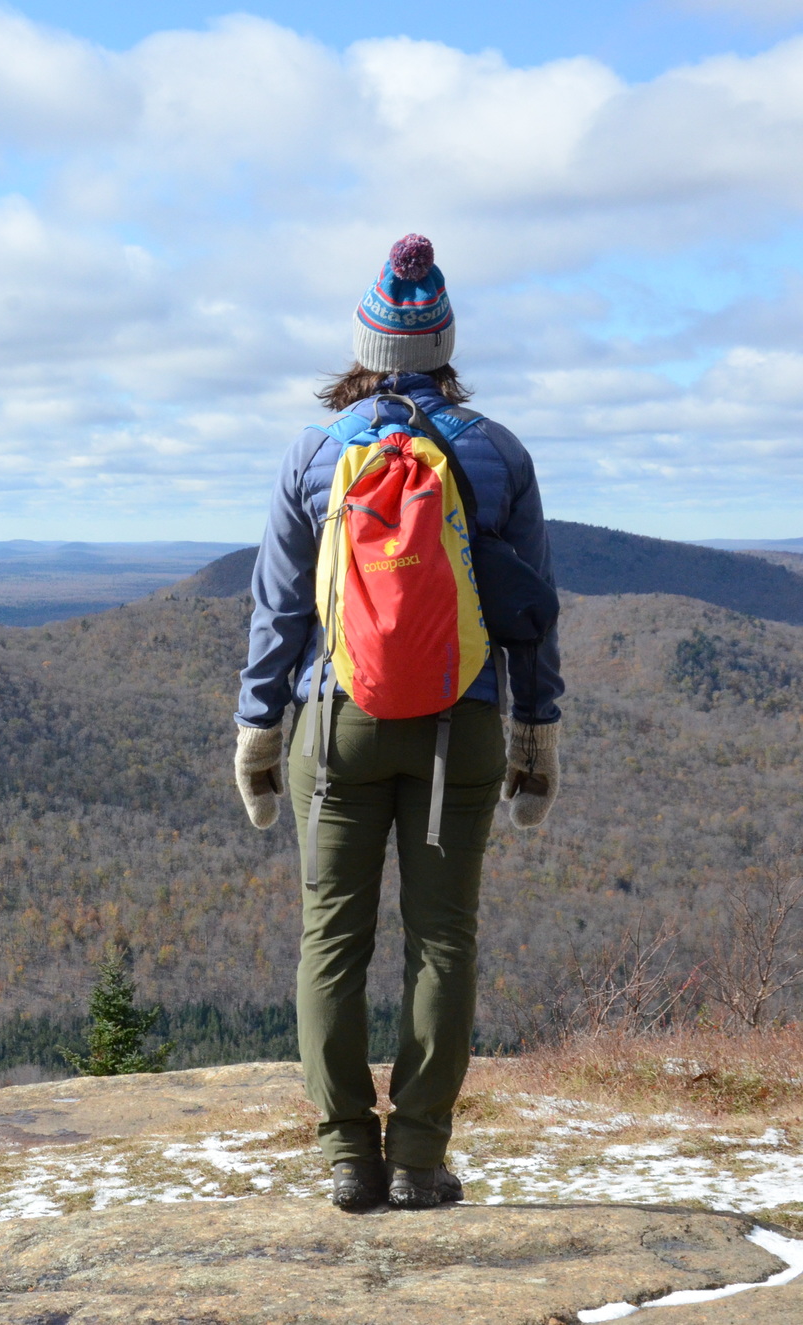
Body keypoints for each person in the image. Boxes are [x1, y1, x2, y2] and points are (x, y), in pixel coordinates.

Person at [230, 234, 564, 1212]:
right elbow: (530, 610)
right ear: (442, 342)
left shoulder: (315, 451)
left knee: (329, 939)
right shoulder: (495, 451)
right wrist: (534, 736)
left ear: (364, 348)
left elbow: (277, 610)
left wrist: (257, 730)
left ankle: (345, 1155)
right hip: (456, 726)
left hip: (334, 725)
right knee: (441, 938)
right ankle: (416, 1154)